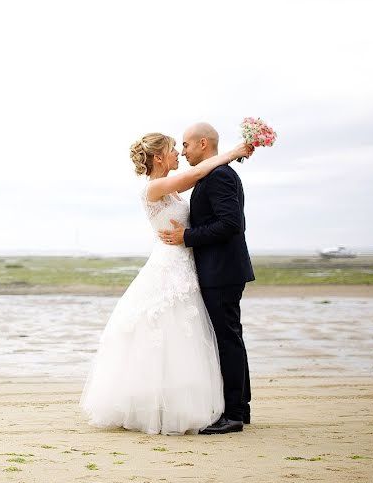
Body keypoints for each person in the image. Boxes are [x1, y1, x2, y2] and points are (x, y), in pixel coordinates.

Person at [79, 132, 252, 435]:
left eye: (181, 147)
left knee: (194, 335)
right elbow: (197, 173)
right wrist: (235, 151)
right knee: (166, 333)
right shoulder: (155, 187)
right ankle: (168, 405)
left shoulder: (172, 192)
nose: (179, 154)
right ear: (158, 158)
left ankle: (231, 407)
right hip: (169, 265)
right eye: (174, 149)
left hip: (186, 265)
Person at [158, 122, 255, 434]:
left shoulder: (221, 176)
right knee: (229, 336)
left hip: (222, 270)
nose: (183, 151)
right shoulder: (211, 174)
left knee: (227, 338)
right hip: (217, 270)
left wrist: (186, 236)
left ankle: (234, 414)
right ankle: (241, 408)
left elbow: (230, 224)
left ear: (203, 143)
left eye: (185, 145)